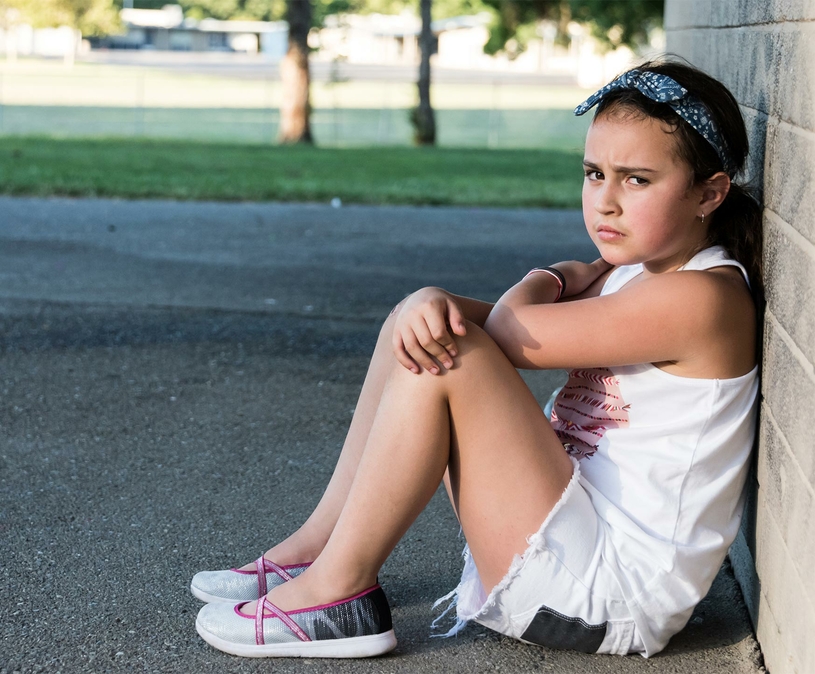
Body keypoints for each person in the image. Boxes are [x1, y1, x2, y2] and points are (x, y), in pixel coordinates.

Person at [191, 58, 762, 659]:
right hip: (569, 535)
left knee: (448, 350)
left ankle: (338, 596)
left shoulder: (703, 298)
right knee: (415, 325)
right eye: (595, 173)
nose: (607, 202)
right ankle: (317, 550)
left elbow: (510, 336)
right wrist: (420, 301)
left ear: (710, 192)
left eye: (637, 179)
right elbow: (495, 326)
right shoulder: (642, 277)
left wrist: (551, 274)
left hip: (609, 592)